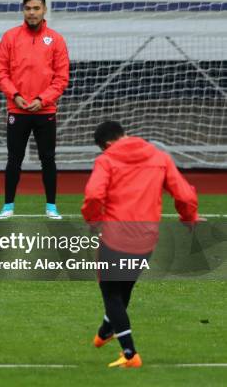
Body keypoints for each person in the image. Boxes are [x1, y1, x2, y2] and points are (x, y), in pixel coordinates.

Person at [82, 121, 199, 368]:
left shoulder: (107, 160)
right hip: (146, 239)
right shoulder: (159, 157)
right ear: (124, 134)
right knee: (123, 290)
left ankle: (130, 354)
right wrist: (189, 218)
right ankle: (105, 330)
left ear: (106, 145)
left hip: (115, 238)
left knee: (112, 295)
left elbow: (93, 195)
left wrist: (93, 219)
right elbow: (185, 195)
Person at [0, 0, 70, 220]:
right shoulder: (10, 37)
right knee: (14, 158)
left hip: (45, 110)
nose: (32, 12)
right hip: (17, 108)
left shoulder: (56, 39)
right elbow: (0, 70)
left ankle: (51, 207)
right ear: (23, 10)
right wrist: (14, 95)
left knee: (48, 158)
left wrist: (42, 99)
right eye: (28, 8)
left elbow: (61, 77)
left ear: (44, 9)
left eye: (36, 8)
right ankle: (8, 206)